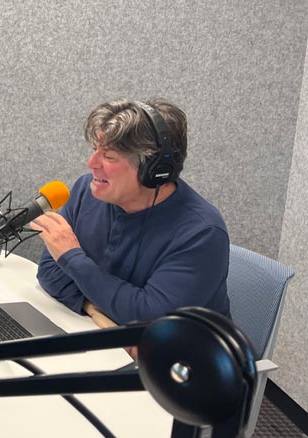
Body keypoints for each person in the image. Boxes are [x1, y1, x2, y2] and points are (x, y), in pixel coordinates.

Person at [32, 98, 230, 330]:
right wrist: (93, 309)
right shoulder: (86, 191)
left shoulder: (201, 233)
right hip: (108, 341)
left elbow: (151, 318)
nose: (91, 163)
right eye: (95, 150)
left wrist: (72, 257)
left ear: (153, 170)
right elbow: (49, 272)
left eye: (108, 156)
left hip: (181, 358)